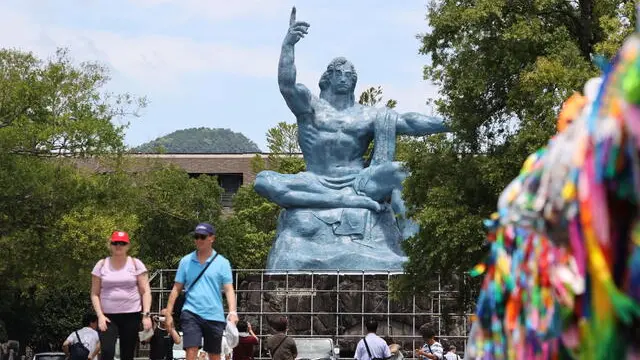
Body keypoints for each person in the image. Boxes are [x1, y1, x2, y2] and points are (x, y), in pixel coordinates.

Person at [164, 223, 238, 360]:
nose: (198, 240)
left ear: (212, 238)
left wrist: (232, 312)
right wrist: (168, 313)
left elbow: (229, 290)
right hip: (191, 312)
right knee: (191, 350)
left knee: (214, 355)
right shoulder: (186, 261)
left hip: (214, 314)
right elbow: (176, 288)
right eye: (196, 237)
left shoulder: (223, 263)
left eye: (202, 237)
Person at [91, 231, 153, 360]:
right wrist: (100, 315)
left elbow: (145, 291)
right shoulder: (101, 265)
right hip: (108, 317)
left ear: (127, 246)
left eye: (122, 243)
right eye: (115, 243)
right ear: (110, 245)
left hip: (131, 315)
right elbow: (94, 293)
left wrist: (146, 315)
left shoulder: (136, 264)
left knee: (127, 353)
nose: (118, 246)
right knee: (107, 351)